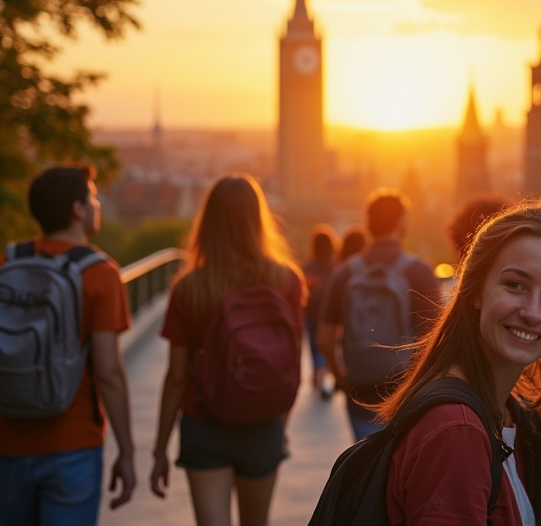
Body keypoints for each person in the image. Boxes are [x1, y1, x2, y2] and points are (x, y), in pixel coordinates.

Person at [375, 199, 541, 525]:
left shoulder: (503, 414)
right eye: (515, 285)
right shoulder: (457, 432)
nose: (533, 312)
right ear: (475, 290)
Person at [149, 174, 305, 526]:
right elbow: (292, 361)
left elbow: (176, 377)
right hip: (262, 422)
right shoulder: (286, 281)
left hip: (205, 422)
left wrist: (159, 450)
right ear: (258, 219)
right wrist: (280, 425)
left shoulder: (190, 287)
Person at [0, 165, 136, 524]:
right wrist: (126, 451)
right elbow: (108, 373)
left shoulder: (7, 262)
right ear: (78, 210)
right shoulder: (100, 273)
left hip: (7, 440)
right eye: (92, 196)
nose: (97, 203)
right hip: (72, 442)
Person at [318, 188, 440, 440]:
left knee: (368, 465)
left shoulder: (345, 273)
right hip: (407, 392)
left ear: (369, 224)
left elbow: (324, 338)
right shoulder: (418, 271)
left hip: (361, 389)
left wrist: (343, 380)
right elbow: (437, 339)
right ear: (401, 222)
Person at [303, 224, 339, 399]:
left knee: (313, 344)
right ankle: (323, 374)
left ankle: (318, 373)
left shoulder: (308, 267)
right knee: (325, 343)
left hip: (311, 311)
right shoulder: (335, 267)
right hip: (330, 314)